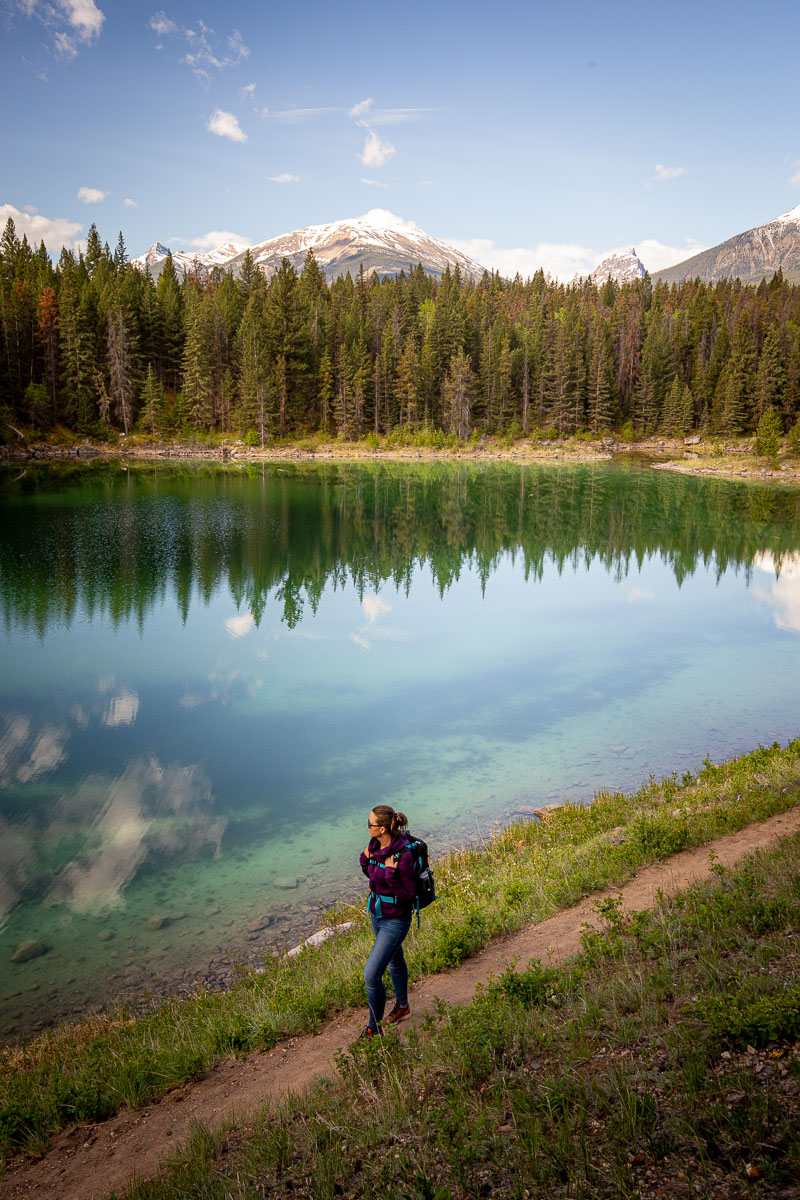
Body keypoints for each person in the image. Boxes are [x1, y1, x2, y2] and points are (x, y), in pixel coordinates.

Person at [359, 804, 415, 1037]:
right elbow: (372, 877)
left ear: (382, 829)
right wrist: (364, 860)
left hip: (396, 920)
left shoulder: (403, 856)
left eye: (370, 824)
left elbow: (408, 896)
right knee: (394, 959)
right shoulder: (375, 846)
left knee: (371, 975)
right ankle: (403, 1006)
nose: (367, 827)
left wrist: (391, 874)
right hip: (377, 914)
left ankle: (374, 1028)